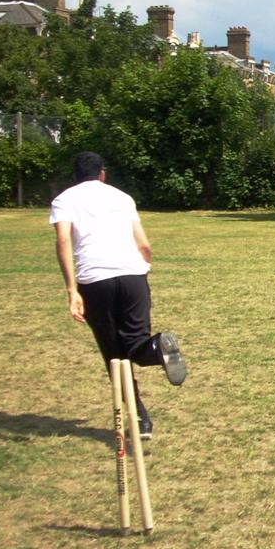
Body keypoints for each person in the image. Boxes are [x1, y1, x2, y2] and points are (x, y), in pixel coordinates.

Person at [50, 152, 186, 441]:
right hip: (132, 275)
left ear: (75, 175)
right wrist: (142, 276)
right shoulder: (123, 198)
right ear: (102, 173)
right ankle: (158, 349)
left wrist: (72, 290)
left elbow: (63, 240)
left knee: (114, 355)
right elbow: (144, 245)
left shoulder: (64, 200)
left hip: (95, 281)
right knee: (136, 344)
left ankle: (141, 419)